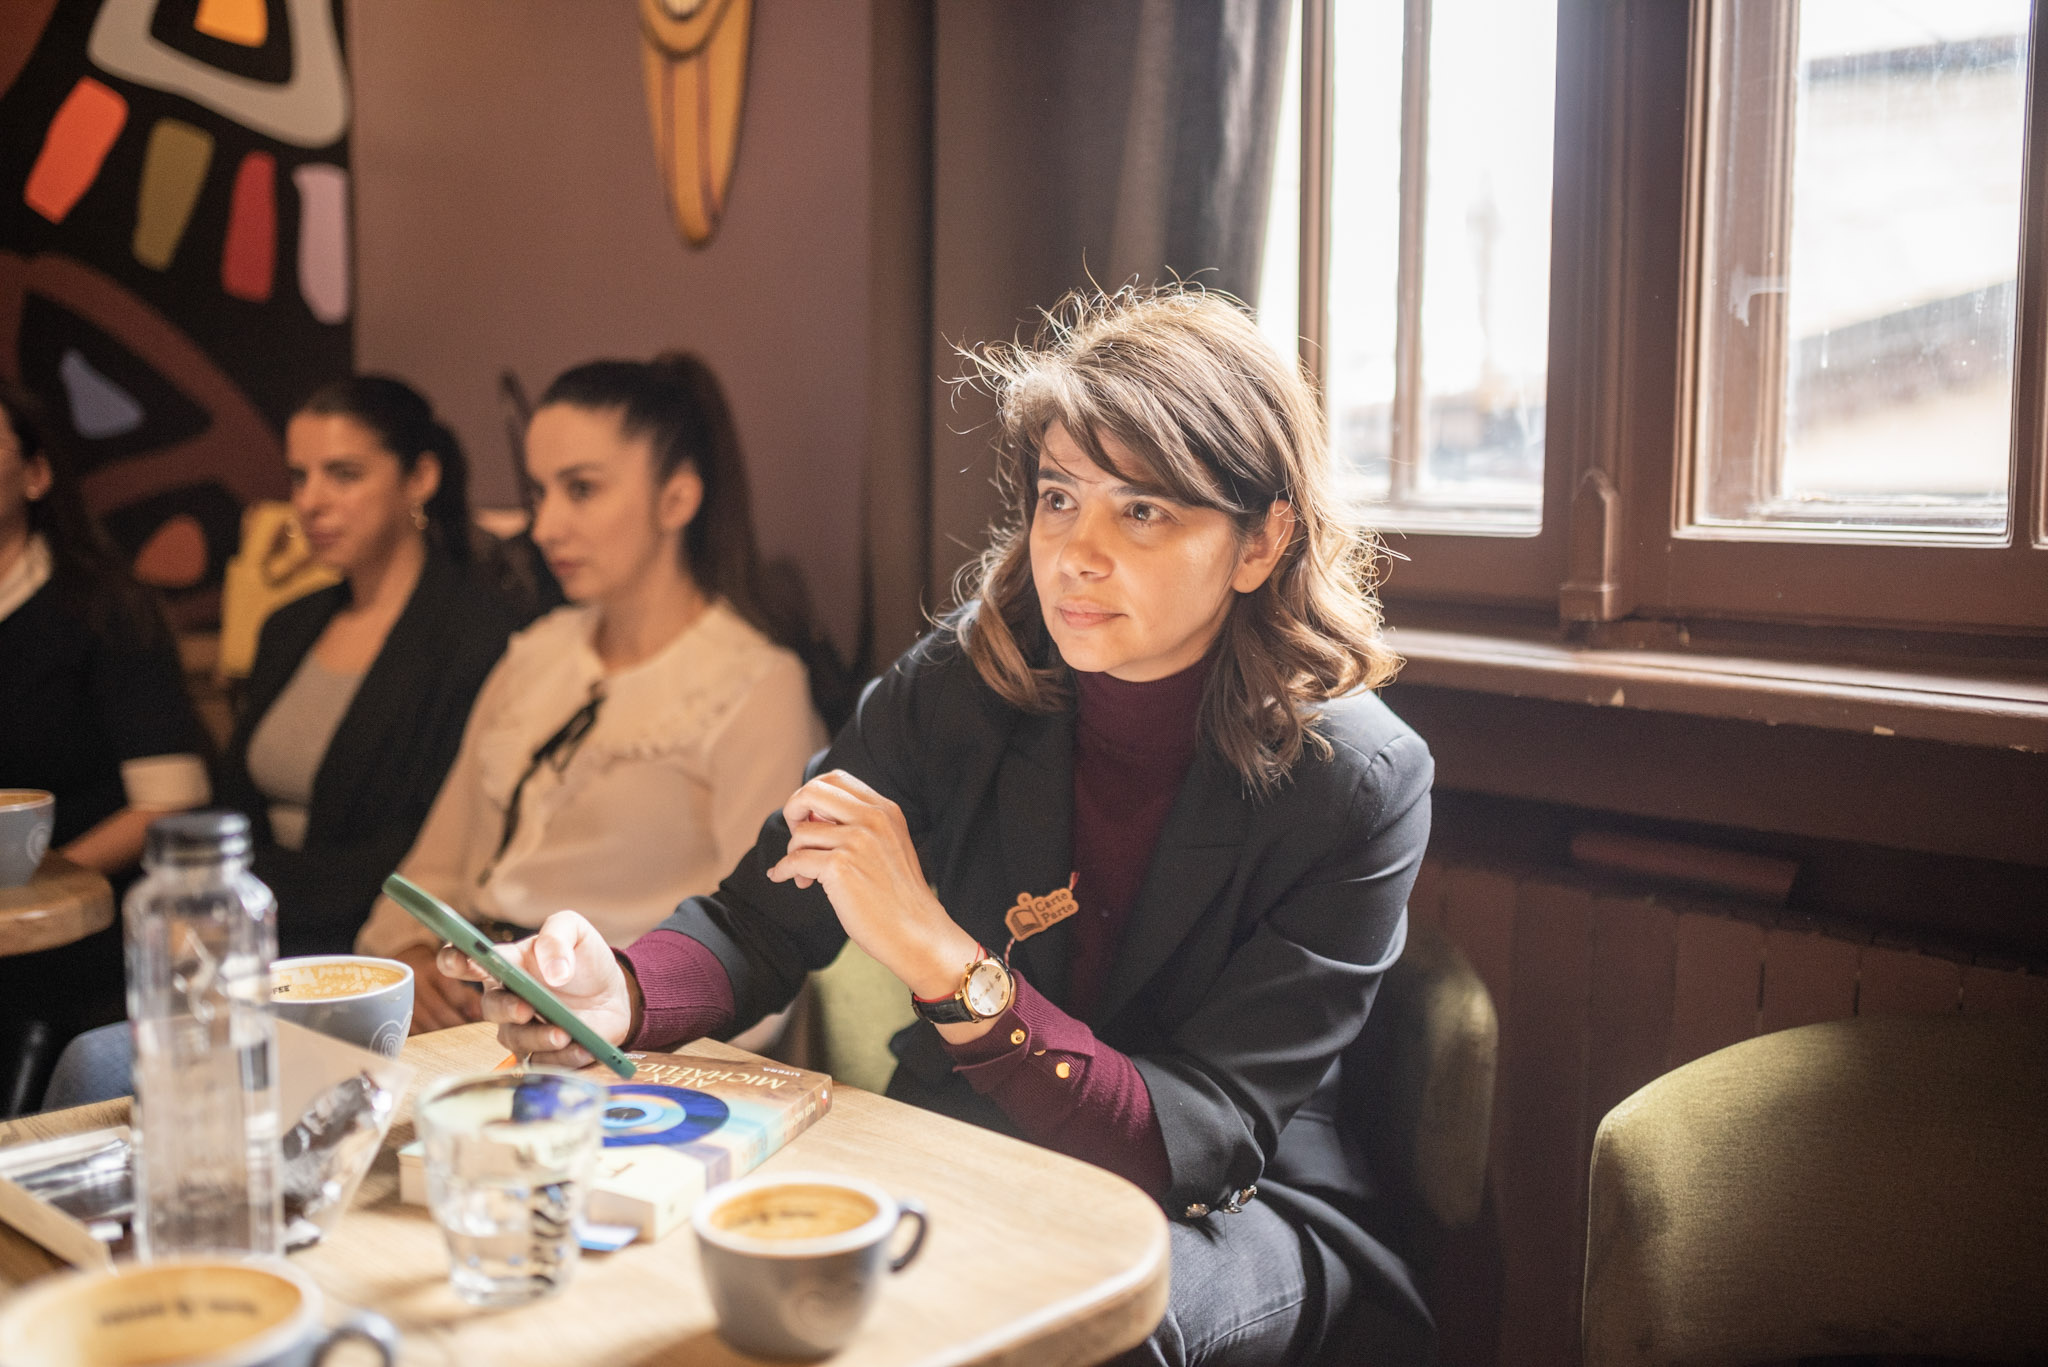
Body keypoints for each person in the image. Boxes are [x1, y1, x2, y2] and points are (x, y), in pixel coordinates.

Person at [447, 289, 1436, 1367]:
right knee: (715, 1260)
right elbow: (758, 919)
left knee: (1079, 1325)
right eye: (1058, 497)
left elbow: (1187, 1140)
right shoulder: (965, 680)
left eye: (1142, 511)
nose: (1075, 553)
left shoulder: (1359, 781)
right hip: (972, 1136)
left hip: (1227, 1204)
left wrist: (943, 960)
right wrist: (621, 991)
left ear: (1260, 541)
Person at [357, 354, 826, 1041]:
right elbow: (435, 865)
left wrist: (618, 1019)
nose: (545, 526)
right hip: (472, 1016)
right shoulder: (536, 655)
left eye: (581, 489)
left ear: (676, 499)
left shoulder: (752, 683)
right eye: (539, 492)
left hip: (624, 1038)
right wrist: (413, 957)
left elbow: (762, 950)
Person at [213, 376, 525, 957]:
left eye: (343, 474)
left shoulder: (477, 635)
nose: (311, 501)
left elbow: (426, 845)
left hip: (379, 942)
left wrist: (252, 898)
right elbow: (235, 806)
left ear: (420, 478)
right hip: (253, 931)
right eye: (299, 477)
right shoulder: (288, 625)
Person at [0, 378, 210, 1111]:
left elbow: (169, 801)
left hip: (79, 936)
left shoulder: (103, 608)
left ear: (36, 475)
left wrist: (37, 887)